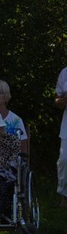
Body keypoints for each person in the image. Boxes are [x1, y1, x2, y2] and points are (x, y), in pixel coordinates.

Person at [55, 67, 67, 206]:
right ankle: (64, 193)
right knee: (64, 160)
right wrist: (60, 101)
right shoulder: (64, 72)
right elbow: (57, 99)